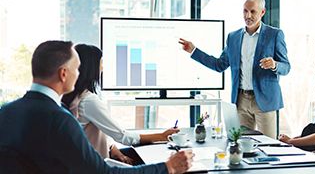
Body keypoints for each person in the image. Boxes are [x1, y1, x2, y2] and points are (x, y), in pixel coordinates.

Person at [0, 40, 193, 173]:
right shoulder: (60, 120)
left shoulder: (6, 112)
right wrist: (168, 168)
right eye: (76, 68)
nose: (79, 73)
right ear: (64, 74)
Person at [179, 0, 290, 138]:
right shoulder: (233, 37)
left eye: (253, 11)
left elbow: (286, 67)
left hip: (265, 100)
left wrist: (274, 65)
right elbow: (219, 65)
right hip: (241, 100)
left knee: (269, 145)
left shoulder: (274, 35)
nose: (248, 15)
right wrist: (194, 50)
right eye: (245, 11)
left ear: (262, 12)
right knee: (241, 144)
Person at [61, 44, 180, 164]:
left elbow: (92, 132)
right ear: (92, 67)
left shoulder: (72, 96)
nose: (103, 67)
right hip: (94, 165)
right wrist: (162, 136)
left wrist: (112, 148)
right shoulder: (88, 101)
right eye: (101, 62)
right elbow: (123, 137)